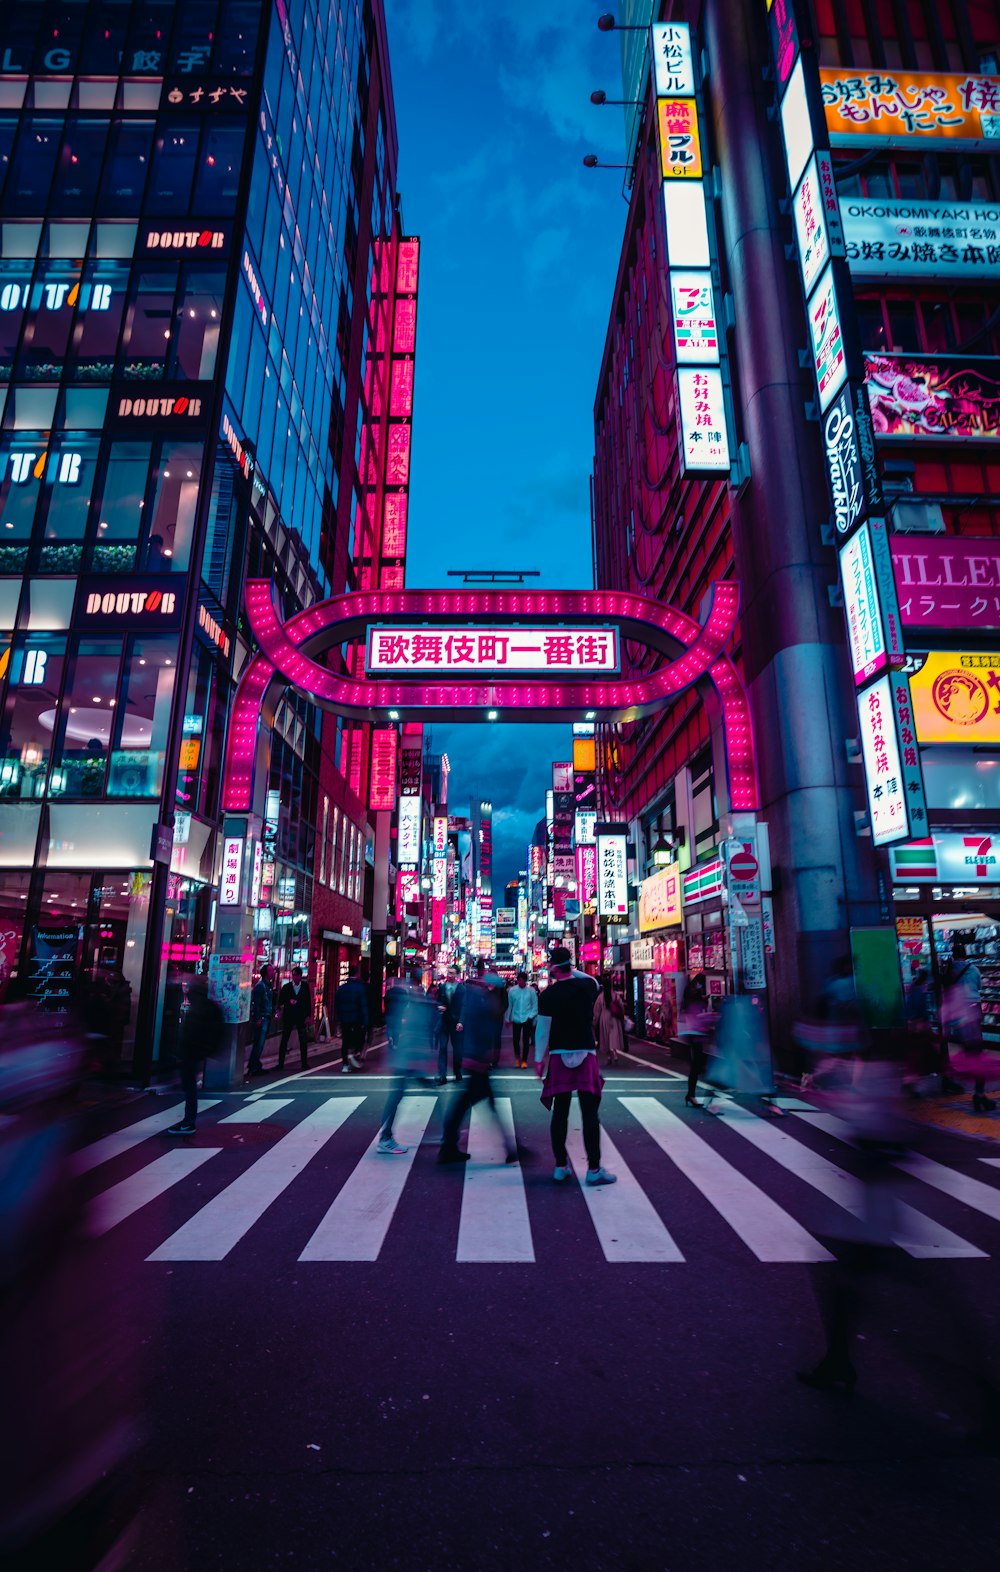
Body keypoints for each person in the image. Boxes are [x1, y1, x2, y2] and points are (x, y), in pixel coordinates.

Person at [534, 946, 615, 1185]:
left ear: (553, 968)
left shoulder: (547, 995)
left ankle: (560, 1166)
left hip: (559, 1055)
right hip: (585, 1053)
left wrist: (539, 1059)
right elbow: (589, 978)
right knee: (590, 1113)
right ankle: (594, 1169)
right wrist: (570, 967)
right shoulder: (587, 987)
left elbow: (542, 1031)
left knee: (560, 1112)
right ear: (570, 966)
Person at [439, 958, 526, 1165]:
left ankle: (449, 1146)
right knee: (478, 1105)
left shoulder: (483, 1000)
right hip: (476, 1061)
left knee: (465, 1105)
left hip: (476, 1061)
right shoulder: (480, 1001)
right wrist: (479, 1056)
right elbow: (475, 1030)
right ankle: (510, 1147)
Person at [378, 967, 439, 1154]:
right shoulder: (412, 999)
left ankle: (439, 1131)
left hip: (407, 1058)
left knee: (405, 1093)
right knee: (398, 1095)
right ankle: (385, 1137)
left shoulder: (410, 997)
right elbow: (410, 1030)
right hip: (407, 1059)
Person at [167, 974, 224, 1135]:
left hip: (191, 1052)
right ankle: (188, 1121)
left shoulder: (200, 1006)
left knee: (189, 1087)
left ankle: (188, 1122)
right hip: (192, 1051)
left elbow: (195, 1031)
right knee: (189, 1086)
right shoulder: (205, 1004)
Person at [942, 938, 994, 1113]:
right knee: (977, 1056)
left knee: (965, 1052)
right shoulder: (973, 969)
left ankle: (950, 1078)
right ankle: (979, 1095)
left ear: (953, 955)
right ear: (965, 954)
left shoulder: (947, 971)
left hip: (954, 1015)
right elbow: (978, 987)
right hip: (971, 1012)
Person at [678, 972, 713, 1108]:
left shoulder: (689, 996)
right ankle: (692, 1095)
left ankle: (691, 1094)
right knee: (698, 1065)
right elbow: (699, 1014)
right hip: (696, 1033)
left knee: (698, 1065)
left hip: (693, 1033)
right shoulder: (694, 996)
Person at [334, 962, 368, 1073]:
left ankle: (344, 1064)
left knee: (345, 1041)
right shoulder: (360, 988)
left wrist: (338, 1018)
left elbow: (337, 1004)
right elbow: (363, 1005)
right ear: (357, 974)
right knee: (358, 1038)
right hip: (356, 1019)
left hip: (344, 1019)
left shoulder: (341, 988)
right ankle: (353, 1054)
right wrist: (365, 1020)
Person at [277, 965, 312, 1072]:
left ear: (300, 976)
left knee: (303, 1040)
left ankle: (304, 1063)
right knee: (284, 1039)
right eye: (293, 975)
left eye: (296, 975)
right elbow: (280, 1001)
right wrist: (288, 1002)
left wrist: (308, 1016)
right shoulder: (287, 987)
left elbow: (308, 1002)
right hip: (289, 1016)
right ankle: (280, 1063)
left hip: (300, 1016)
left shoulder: (305, 987)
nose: (294, 977)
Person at [435, 966, 463, 1083]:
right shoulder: (442, 987)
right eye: (449, 972)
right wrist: (438, 1006)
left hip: (456, 1023)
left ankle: (457, 1071)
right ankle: (442, 1075)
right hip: (444, 1021)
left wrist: (461, 1021)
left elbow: (464, 1006)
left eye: (452, 973)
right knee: (442, 1048)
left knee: (457, 1049)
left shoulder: (461, 988)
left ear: (456, 975)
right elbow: (437, 1000)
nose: (449, 975)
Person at [505, 971, 538, 1068]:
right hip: (516, 1018)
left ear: (525, 981)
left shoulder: (531, 991)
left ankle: (524, 1060)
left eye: (523, 981)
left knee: (525, 1040)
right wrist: (507, 1018)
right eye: (519, 980)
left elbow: (535, 1005)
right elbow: (509, 1005)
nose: (521, 982)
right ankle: (517, 1058)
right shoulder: (512, 991)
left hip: (527, 1018)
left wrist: (531, 1016)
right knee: (516, 1040)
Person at [247, 962, 273, 1077]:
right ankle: (253, 1067)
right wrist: (257, 1018)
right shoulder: (260, 986)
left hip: (265, 1017)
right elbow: (256, 1004)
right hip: (262, 1018)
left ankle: (255, 1065)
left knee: (260, 1043)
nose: (273, 973)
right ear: (266, 974)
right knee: (258, 1043)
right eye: (271, 971)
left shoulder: (267, 986)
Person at [593, 975, 626, 1067]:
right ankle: (614, 1053)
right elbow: (621, 1007)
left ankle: (608, 1056)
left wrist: (595, 1021)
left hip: (604, 1017)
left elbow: (596, 1010)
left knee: (605, 1037)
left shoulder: (601, 997)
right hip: (614, 1017)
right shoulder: (615, 995)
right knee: (613, 1036)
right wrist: (622, 1017)